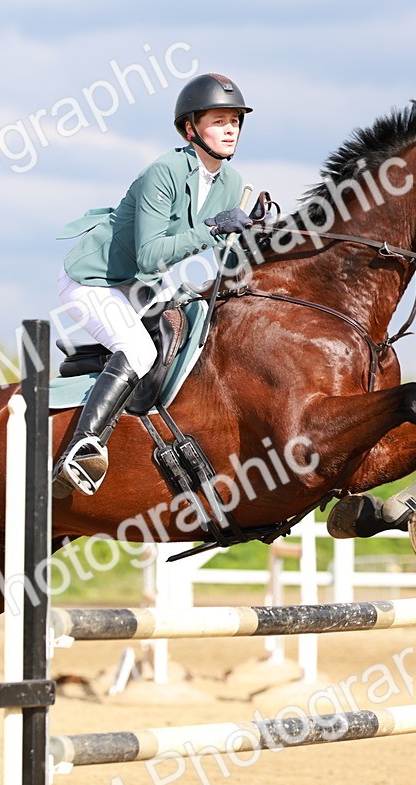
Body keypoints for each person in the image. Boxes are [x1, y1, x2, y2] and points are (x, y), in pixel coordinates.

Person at [51, 72, 254, 498]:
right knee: (140, 350)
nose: (230, 127)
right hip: (94, 281)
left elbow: (219, 256)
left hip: (144, 286)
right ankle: (80, 449)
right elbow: (149, 255)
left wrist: (256, 237)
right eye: (219, 120)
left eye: (235, 119)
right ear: (190, 129)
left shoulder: (231, 183)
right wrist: (214, 226)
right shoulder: (163, 171)